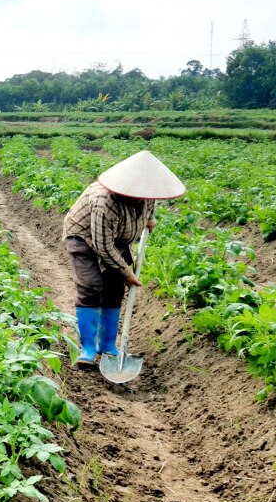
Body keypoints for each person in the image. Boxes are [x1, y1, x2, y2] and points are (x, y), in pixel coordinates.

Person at [63, 150, 185, 368]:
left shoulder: (148, 194)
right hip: (84, 236)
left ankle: (107, 344)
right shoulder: (105, 201)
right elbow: (102, 246)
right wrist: (127, 272)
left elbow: (149, 209)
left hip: (116, 239)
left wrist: (149, 219)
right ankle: (88, 348)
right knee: (91, 286)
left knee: (114, 288)